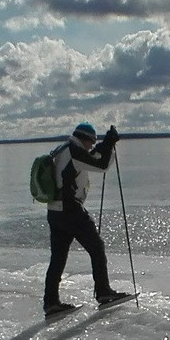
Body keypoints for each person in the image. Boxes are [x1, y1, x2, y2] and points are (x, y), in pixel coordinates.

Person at [43, 122, 129, 317]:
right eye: (92, 142)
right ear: (85, 138)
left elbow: (91, 158)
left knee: (57, 258)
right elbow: (102, 165)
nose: (92, 146)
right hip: (70, 210)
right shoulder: (74, 151)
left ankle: (51, 303)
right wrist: (108, 143)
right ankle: (104, 293)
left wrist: (105, 146)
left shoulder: (64, 148)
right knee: (96, 247)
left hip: (54, 211)